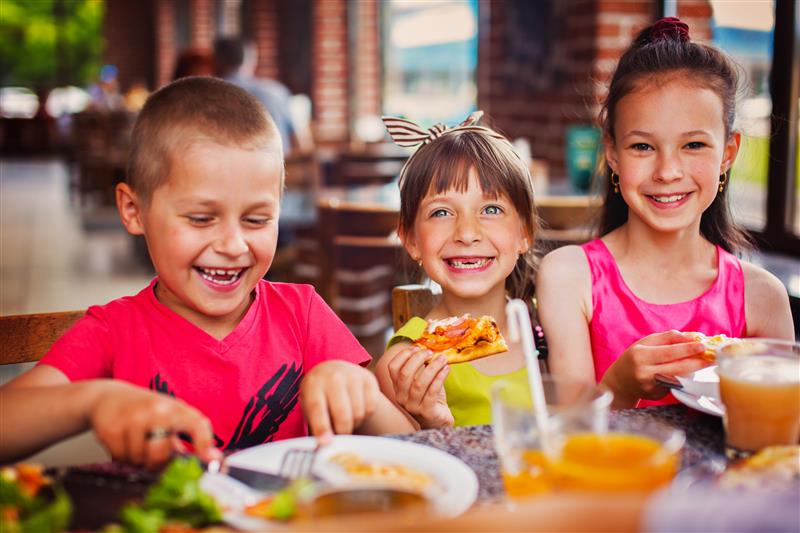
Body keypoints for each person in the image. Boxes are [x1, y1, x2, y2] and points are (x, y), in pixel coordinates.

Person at [0, 77, 413, 468]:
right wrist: (92, 402)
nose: (233, 245)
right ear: (133, 210)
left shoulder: (302, 313)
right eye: (200, 219)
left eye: (256, 220)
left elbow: (411, 446)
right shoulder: (114, 331)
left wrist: (365, 397)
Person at [537, 17, 794, 410]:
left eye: (693, 145)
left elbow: (778, 439)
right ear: (612, 153)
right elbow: (569, 437)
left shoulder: (762, 297)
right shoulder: (569, 277)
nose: (668, 172)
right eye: (642, 147)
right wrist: (621, 384)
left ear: (728, 153)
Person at [374, 111, 542, 429]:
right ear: (410, 239)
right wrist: (431, 422)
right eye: (441, 212)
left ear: (525, 233)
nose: (467, 233)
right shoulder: (405, 364)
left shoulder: (553, 329)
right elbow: (412, 472)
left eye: (491, 209)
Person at [213, 37, 303, 156]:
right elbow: (298, 142)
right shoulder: (278, 91)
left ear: (216, 60)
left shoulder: (212, 94)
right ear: (252, 59)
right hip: (282, 168)